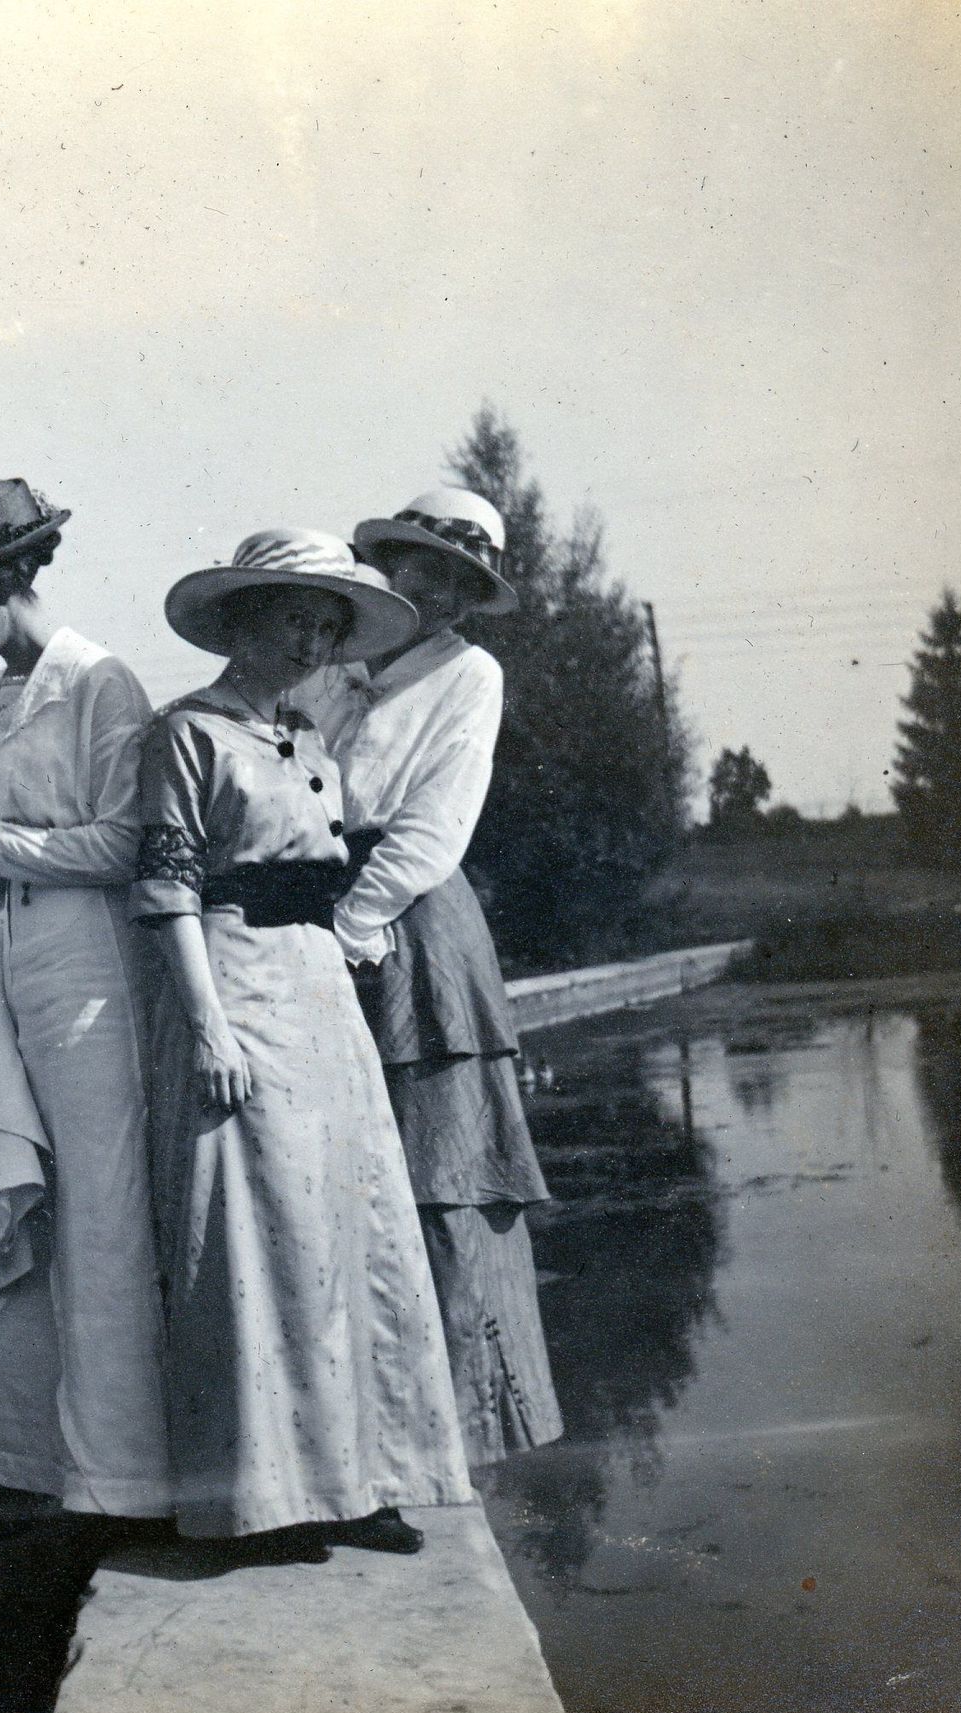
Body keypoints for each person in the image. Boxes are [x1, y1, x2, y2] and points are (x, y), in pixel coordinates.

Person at [134, 528, 473, 1544]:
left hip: (321, 986)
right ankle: (270, 1499)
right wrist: (209, 1030)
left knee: (350, 1227)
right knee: (263, 1231)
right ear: (242, 618)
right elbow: (167, 892)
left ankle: (360, 1482)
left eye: (329, 628)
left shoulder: (311, 738)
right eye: (295, 619)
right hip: (236, 981)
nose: (313, 643)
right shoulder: (184, 733)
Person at [0, 478, 170, 1520]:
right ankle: (44, 1472)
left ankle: (125, 1482)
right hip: (21, 962)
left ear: (0, 582)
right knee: (42, 1221)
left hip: (93, 973)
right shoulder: (1, 697)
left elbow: (123, 844)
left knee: (104, 1215)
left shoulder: (100, 683)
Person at [302, 486, 566, 1467]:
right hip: (310, 915)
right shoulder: (324, 665)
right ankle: (356, 1436)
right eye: (424, 568)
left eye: (463, 582)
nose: (440, 594)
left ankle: (461, 1430)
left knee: (444, 1177)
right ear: (387, 567)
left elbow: (433, 825)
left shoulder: (467, 674)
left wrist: (347, 927)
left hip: (406, 927)